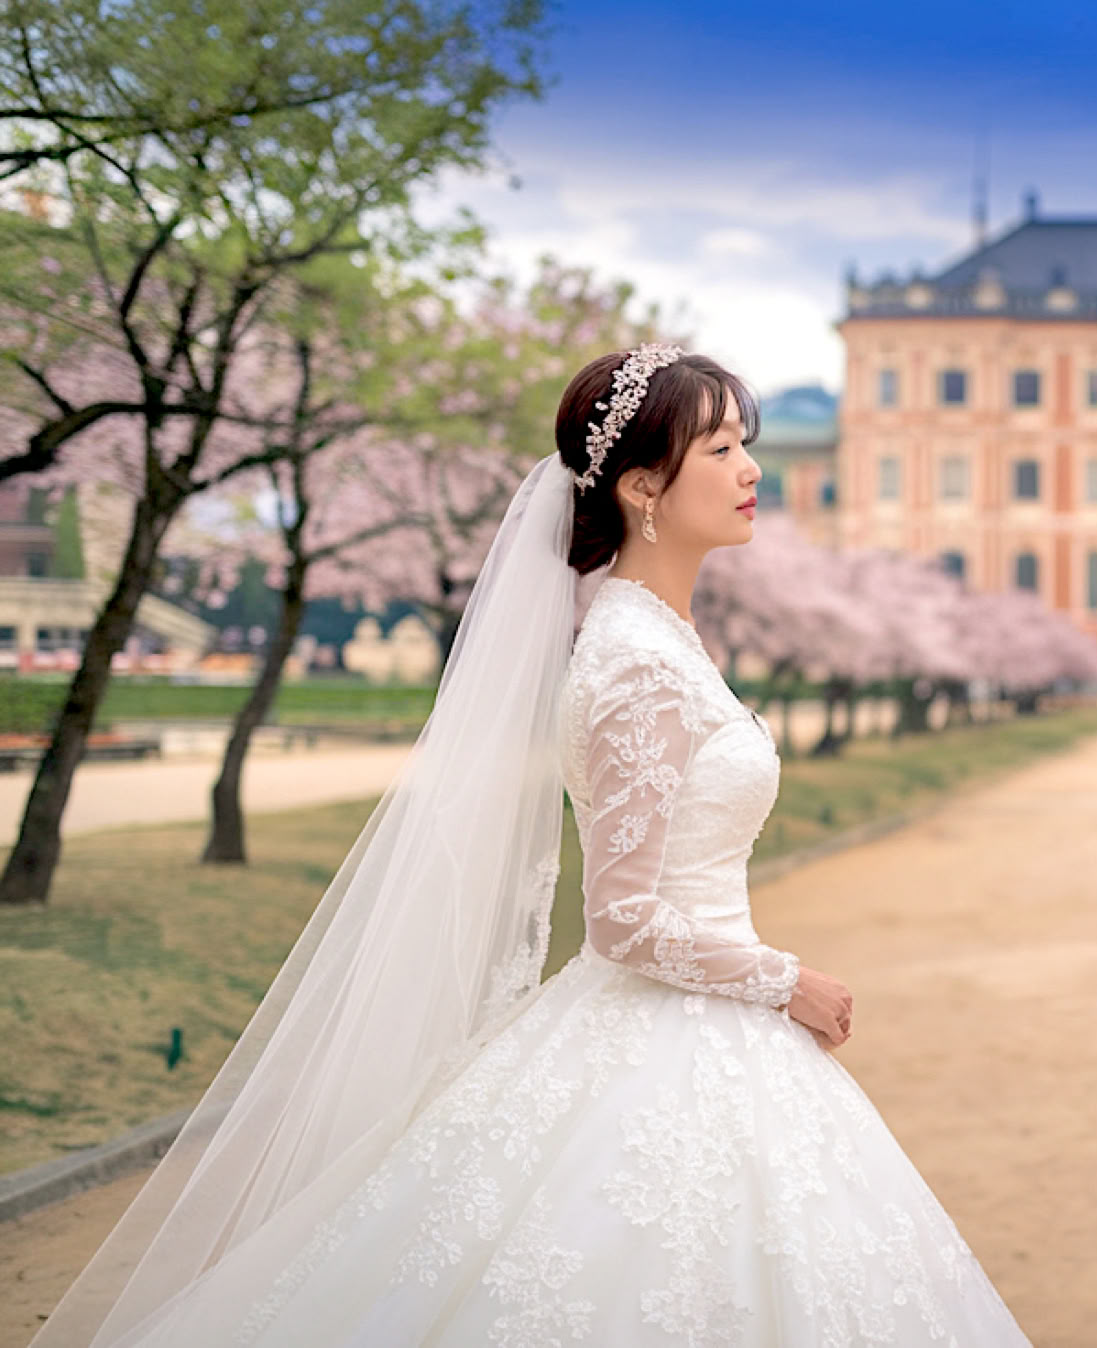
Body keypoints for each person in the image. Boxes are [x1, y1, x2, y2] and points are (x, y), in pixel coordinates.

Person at [33, 346, 1031, 1345]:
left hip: (702, 1022)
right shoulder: (637, 661)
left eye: (746, 445)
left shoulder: (655, 635)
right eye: (721, 448)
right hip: (680, 1022)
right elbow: (625, 917)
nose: (750, 470)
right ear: (643, 486)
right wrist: (786, 980)